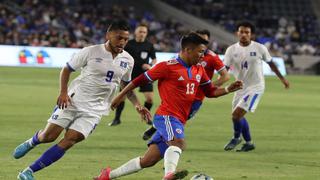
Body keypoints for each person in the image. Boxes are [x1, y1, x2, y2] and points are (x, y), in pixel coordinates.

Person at [13, 20, 151, 180]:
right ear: (108, 35)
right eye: (119, 38)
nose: (122, 42)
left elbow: (126, 86)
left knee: (70, 140)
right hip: (73, 101)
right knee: (48, 137)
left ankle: (28, 171)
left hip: (95, 110)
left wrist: (137, 105)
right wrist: (63, 92)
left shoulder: (128, 60)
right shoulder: (91, 51)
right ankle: (33, 141)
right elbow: (66, 69)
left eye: (126, 39)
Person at [94, 32, 243, 180]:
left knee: (148, 160)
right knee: (179, 143)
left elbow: (210, 92)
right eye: (200, 52)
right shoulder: (167, 67)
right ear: (188, 50)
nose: (203, 56)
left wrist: (229, 89)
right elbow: (139, 80)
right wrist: (120, 96)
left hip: (180, 119)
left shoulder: (199, 69)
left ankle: (107, 175)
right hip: (167, 116)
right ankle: (169, 176)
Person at [141, 29, 230, 140]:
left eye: (204, 40)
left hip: (197, 97)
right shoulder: (186, 55)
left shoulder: (212, 57)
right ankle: (165, 139)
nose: (200, 42)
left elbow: (225, 76)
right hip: (179, 93)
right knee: (172, 117)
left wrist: (207, 85)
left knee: (181, 119)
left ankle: (159, 135)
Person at [223, 21, 290, 152]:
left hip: (256, 87)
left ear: (251, 34)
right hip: (240, 87)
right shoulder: (231, 50)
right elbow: (224, 69)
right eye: (241, 32)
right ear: (237, 33)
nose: (243, 34)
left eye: (246, 32)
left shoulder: (260, 48)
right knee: (237, 116)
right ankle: (249, 143)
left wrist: (283, 79)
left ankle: (236, 138)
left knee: (236, 115)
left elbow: (271, 64)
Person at [109, 23, 157, 126]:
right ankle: (117, 119)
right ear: (135, 32)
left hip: (144, 75)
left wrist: (149, 65)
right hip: (129, 74)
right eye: (140, 31)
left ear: (146, 33)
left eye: (144, 32)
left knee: (150, 98)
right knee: (122, 97)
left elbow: (154, 59)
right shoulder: (128, 44)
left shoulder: (149, 45)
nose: (142, 34)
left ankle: (146, 116)